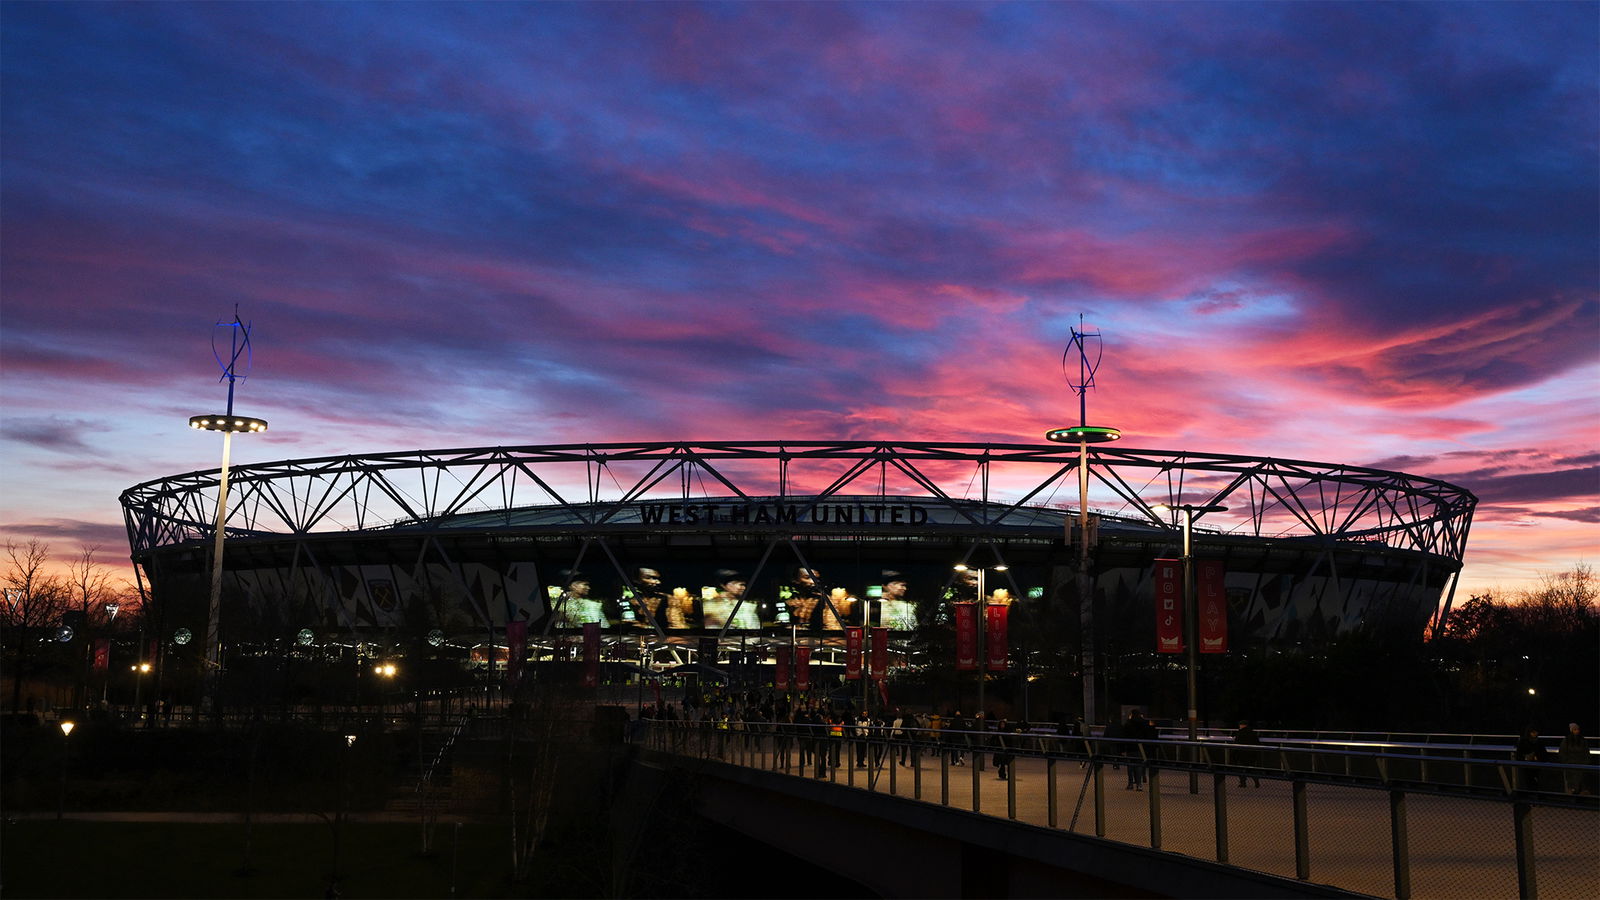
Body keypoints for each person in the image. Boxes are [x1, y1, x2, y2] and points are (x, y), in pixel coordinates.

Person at [1558, 722, 1590, 795]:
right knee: (1571, 785)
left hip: (1580, 765)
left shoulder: (1582, 740)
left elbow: (1586, 753)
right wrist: (1567, 762)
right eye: (1575, 730)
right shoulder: (1566, 740)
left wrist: (1585, 763)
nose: (1577, 731)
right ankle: (1572, 800)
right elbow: (1562, 752)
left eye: (1578, 729)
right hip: (1570, 765)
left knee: (1579, 784)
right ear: (1571, 730)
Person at [1513, 726, 1548, 791]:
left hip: (1537, 767)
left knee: (1536, 783)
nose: (1535, 734)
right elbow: (1518, 755)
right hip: (1526, 767)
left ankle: (1536, 795)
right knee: (1528, 782)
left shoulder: (1539, 742)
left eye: (1536, 732)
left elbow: (1545, 755)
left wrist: (1537, 758)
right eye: (1533, 732)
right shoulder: (1523, 742)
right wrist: (1526, 758)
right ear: (1529, 732)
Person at [1232, 720, 1262, 787]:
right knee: (1252, 769)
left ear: (1242, 725)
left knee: (1240, 769)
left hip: (1241, 754)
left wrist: (1234, 754)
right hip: (1252, 754)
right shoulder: (1253, 733)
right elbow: (1257, 743)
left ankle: (1243, 783)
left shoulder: (1240, 733)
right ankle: (1256, 782)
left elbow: (1236, 744)